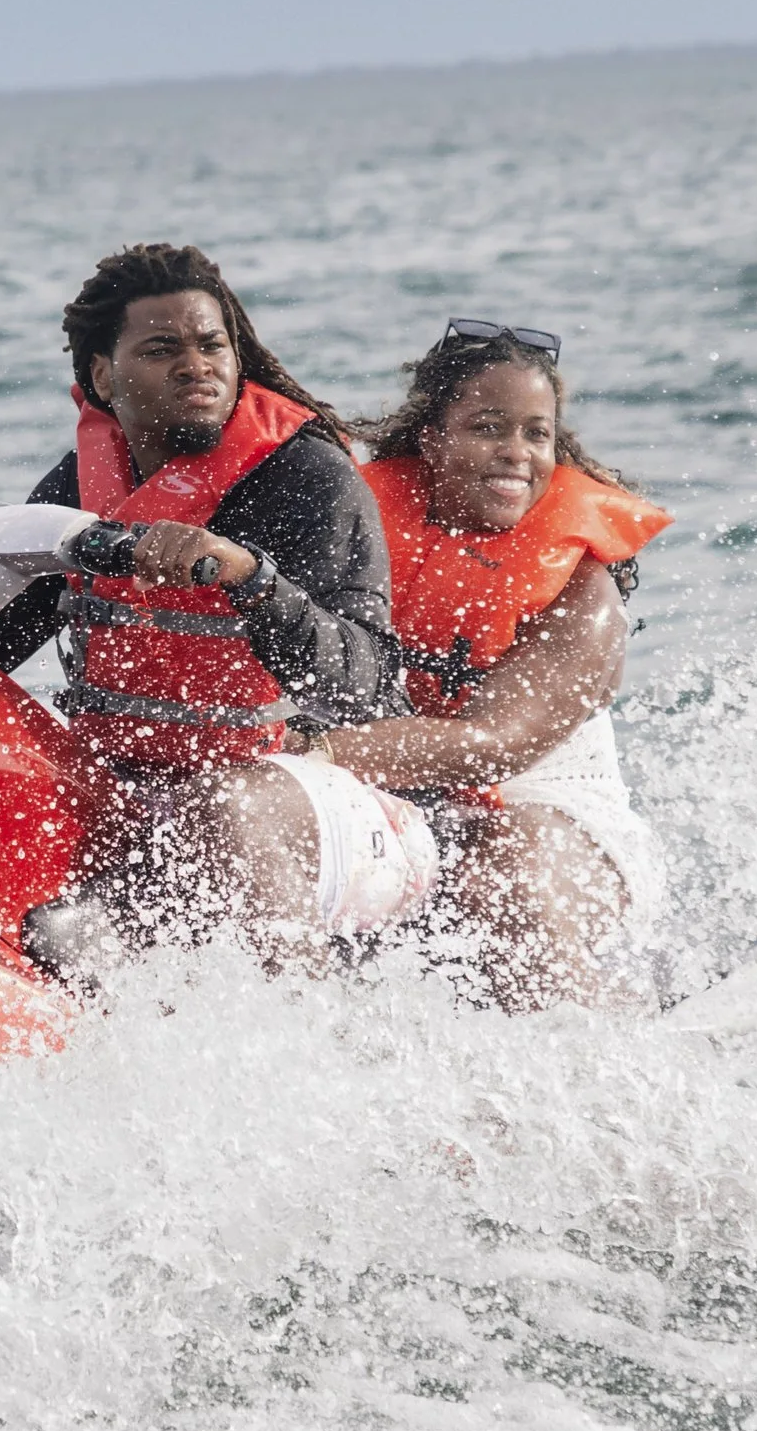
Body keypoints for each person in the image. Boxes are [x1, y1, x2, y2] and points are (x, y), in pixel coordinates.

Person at [0, 242, 413, 958]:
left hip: (330, 798)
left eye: (213, 345)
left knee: (220, 814)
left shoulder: (307, 480)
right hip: (136, 788)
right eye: (161, 349)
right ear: (102, 376)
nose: (196, 365)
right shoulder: (85, 482)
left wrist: (253, 581)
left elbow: (366, 683)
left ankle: (285, 1049)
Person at [177, 323, 670, 1006]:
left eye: (536, 433)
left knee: (505, 872)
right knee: (236, 805)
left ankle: (596, 1061)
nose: (517, 453)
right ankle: (302, 1050)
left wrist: (314, 749)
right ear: (432, 440)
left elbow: (491, 746)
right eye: (488, 427)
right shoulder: (356, 530)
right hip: (397, 802)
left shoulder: (588, 595)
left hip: (547, 812)